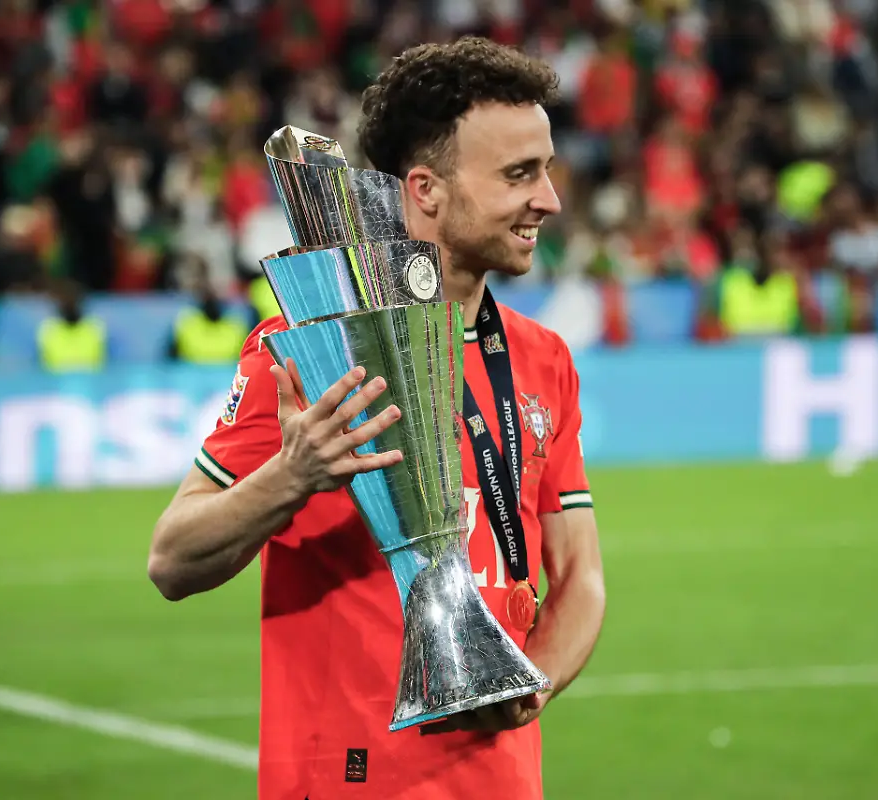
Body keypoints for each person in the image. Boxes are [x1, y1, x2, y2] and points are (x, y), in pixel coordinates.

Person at [147, 37, 606, 800]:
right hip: (349, 781)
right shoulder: (310, 350)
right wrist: (292, 476)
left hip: (503, 783)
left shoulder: (543, 359)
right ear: (426, 190)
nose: (549, 199)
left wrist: (535, 683)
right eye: (519, 174)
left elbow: (581, 576)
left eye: (547, 169)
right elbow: (171, 560)